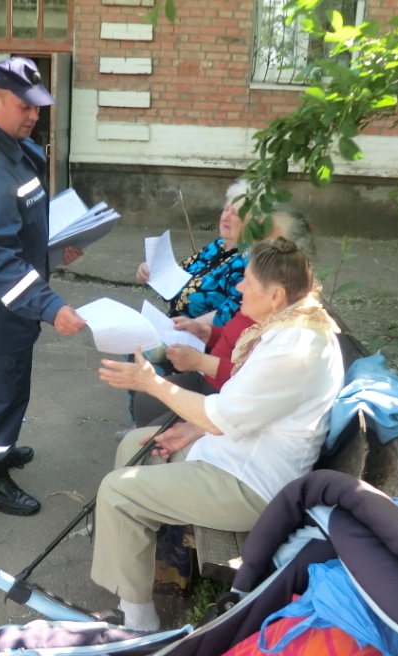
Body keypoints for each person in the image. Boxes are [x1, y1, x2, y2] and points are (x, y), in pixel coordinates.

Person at [93, 238, 344, 631]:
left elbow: (221, 415)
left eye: (247, 281)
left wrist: (153, 384)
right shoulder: (292, 325)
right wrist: (188, 430)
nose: (239, 288)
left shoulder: (295, 347)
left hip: (252, 484)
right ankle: (147, 573)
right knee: (134, 445)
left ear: (276, 295)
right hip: (236, 452)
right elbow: (245, 407)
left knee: (116, 490)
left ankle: (139, 622)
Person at [0, 56, 87, 517]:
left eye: (38, 107)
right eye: (24, 106)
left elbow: (16, 227)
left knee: (11, 384)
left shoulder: (13, 148)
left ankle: (2, 448)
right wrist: (50, 306)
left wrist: (51, 248)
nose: (33, 115)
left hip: (10, 300)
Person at [131, 206, 317, 427]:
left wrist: (199, 360)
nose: (255, 249)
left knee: (149, 429)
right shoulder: (267, 297)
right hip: (211, 381)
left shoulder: (287, 324)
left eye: (271, 246)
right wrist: (205, 332)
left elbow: (250, 382)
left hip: (223, 397)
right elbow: (235, 335)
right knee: (145, 402)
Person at [136, 181, 250, 327]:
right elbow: (177, 274)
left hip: (201, 335)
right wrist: (147, 271)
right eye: (225, 209)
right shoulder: (218, 245)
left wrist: (191, 325)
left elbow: (232, 312)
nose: (226, 216)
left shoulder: (247, 260)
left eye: (234, 213)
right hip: (176, 325)